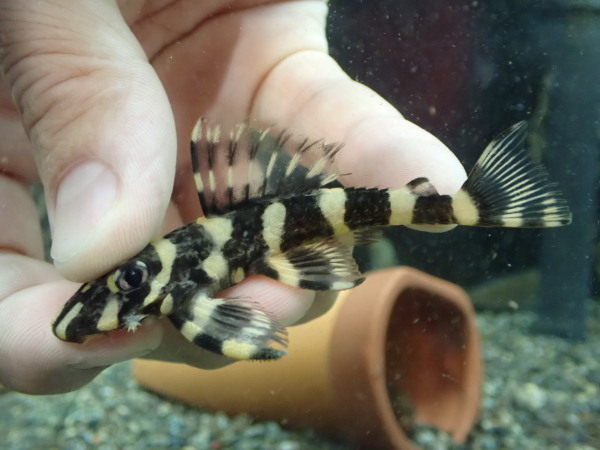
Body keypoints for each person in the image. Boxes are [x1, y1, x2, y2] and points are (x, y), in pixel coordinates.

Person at [0, 1, 465, 395]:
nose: (127, 285)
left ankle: (462, 206)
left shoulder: (182, 296)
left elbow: (231, 327)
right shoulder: (172, 284)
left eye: (132, 280)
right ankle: (462, 207)